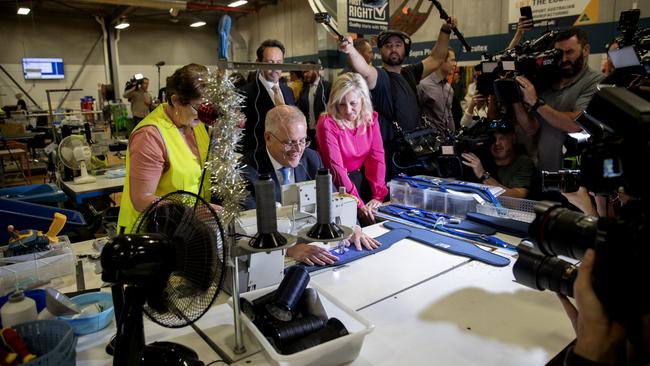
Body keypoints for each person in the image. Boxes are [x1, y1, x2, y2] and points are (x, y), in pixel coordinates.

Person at [242, 105, 381, 265]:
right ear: (268, 138)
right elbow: (249, 229)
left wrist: (351, 227)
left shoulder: (311, 158)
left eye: (302, 141)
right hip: (272, 259)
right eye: (289, 143)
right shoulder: (247, 171)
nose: (298, 149)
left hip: (314, 247)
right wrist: (289, 248)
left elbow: (335, 200)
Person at [338, 17, 457, 176]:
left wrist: (445, 30)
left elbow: (436, 58)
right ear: (380, 51)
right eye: (388, 46)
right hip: (391, 159)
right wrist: (351, 50)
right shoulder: (380, 77)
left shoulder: (410, 73)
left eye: (398, 45)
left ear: (405, 50)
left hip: (414, 153)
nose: (393, 49)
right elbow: (365, 70)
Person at [117, 64, 213, 234]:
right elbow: (142, 198)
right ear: (176, 101)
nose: (206, 114)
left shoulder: (195, 124)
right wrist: (194, 211)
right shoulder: (150, 136)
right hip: (151, 235)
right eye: (200, 107)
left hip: (187, 230)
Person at [513, 27, 604, 172]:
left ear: (586, 50)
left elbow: (576, 124)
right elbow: (531, 128)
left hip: (576, 180)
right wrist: (515, 96)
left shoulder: (596, 81)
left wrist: (536, 103)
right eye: (559, 53)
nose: (563, 59)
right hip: (544, 173)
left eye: (570, 52)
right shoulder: (548, 82)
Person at [316, 73, 388, 224]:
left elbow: (377, 159)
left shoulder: (370, 119)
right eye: (342, 104)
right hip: (335, 186)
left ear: (363, 99)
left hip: (358, 180)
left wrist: (378, 196)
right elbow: (336, 169)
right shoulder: (327, 123)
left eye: (353, 103)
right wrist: (357, 202)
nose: (348, 110)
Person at [239, 39, 296, 153]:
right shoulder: (244, 93)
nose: (275, 68)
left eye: (279, 63)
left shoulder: (288, 91)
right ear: (258, 63)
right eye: (269, 63)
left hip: (288, 155)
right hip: (261, 160)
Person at [461, 120, 535, 198]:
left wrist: (484, 175)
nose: (497, 143)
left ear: (513, 138)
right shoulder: (481, 159)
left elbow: (518, 198)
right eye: (493, 139)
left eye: (502, 138)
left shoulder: (523, 162)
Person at [417, 47, 457, 140]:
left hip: (447, 142)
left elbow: (449, 116)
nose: (455, 64)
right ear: (441, 61)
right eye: (452, 60)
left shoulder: (448, 88)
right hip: (428, 143)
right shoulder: (422, 85)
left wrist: (453, 139)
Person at [297, 60, 331, 149]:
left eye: (307, 71)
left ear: (316, 70)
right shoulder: (304, 91)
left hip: (324, 130)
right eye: (303, 72)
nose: (305, 75)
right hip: (309, 132)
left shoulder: (327, 87)